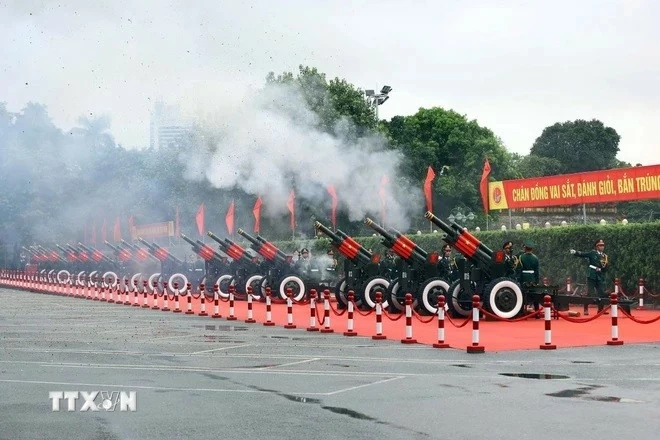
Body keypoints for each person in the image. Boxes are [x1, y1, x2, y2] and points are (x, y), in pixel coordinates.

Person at [570, 239, 609, 312]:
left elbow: (606, 268)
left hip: (600, 276)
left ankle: (600, 310)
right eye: (600, 245)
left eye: (603, 245)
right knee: (590, 293)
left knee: (601, 292)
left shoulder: (605, 256)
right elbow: (583, 254)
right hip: (592, 274)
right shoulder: (592, 253)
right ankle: (585, 308)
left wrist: (601, 270)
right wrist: (575, 252)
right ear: (596, 247)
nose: (602, 247)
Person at [518, 240, 540, 311]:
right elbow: (537, 271)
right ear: (532, 249)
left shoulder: (521, 257)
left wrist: (519, 279)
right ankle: (537, 311)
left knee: (522, 294)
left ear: (525, 248)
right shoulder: (535, 258)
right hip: (532, 278)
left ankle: (521, 311)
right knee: (534, 295)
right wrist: (537, 281)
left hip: (524, 278)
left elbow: (519, 270)